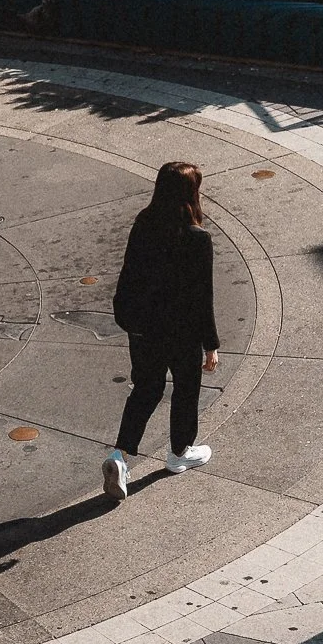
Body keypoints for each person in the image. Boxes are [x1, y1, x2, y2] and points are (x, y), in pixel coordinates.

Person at [102, 162, 220, 503]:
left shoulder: (144, 222)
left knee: (147, 389)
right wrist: (210, 344)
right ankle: (179, 452)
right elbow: (203, 297)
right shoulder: (198, 239)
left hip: (143, 329)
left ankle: (120, 456)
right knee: (186, 389)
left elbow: (130, 274)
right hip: (181, 332)